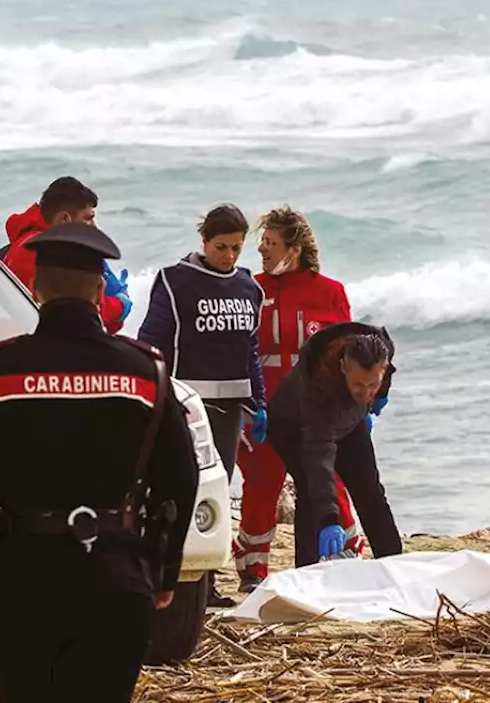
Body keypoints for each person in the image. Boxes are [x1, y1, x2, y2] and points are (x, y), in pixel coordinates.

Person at [0, 222, 199, 701]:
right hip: (118, 576)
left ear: (34, 287)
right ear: (98, 291)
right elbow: (181, 476)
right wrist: (163, 567)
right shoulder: (146, 371)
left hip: (26, 579)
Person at [232, 205, 376, 591]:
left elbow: (354, 352)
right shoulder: (249, 288)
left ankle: (346, 556)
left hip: (318, 409)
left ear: (293, 249)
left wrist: (363, 405)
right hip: (262, 406)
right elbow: (234, 349)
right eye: (261, 242)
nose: (261, 249)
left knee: (328, 479)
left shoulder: (330, 292)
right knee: (262, 483)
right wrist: (244, 404)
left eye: (271, 243)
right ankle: (252, 570)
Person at [137, 203, 267, 607]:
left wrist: (259, 402)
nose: (229, 256)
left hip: (229, 408)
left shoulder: (250, 288)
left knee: (217, 491)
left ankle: (206, 584)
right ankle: (171, 578)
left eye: (236, 248)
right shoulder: (176, 282)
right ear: (204, 241)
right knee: (180, 491)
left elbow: (251, 350)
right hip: (185, 407)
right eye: (221, 247)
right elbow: (152, 340)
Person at [267, 321, 403, 565]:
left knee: (369, 490)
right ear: (342, 367)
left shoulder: (381, 350)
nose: (365, 392)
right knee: (311, 491)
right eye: (358, 384)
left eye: (372, 384)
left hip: (350, 421)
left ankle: (394, 563)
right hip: (293, 428)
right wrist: (330, 520)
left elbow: (386, 372)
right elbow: (319, 461)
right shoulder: (318, 389)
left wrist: (380, 395)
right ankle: (306, 572)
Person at [2, 176, 133, 334]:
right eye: (88, 218)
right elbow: (77, 311)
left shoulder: (29, 243)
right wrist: (119, 305)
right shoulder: (39, 250)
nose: (94, 226)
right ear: (65, 218)